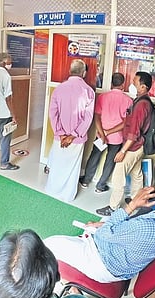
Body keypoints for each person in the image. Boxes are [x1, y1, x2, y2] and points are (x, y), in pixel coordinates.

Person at [46, 171, 155, 283]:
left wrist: (132, 204)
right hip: (120, 261)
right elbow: (127, 230)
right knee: (105, 220)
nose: (153, 188)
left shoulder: (145, 227)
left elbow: (103, 234)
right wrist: (103, 225)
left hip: (103, 263)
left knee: (50, 243)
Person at [96, 72, 153, 216]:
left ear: (143, 87)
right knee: (137, 173)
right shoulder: (141, 100)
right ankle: (135, 199)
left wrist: (122, 151)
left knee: (118, 176)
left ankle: (113, 207)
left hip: (132, 147)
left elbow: (133, 132)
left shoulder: (141, 105)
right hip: (139, 146)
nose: (132, 84)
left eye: (135, 82)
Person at [45, 59, 95, 202]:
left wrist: (60, 134)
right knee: (73, 168)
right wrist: (73, 135)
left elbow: (53, 114)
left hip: (59, 137)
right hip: (77, 139)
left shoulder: (59, 89)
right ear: (84, 73)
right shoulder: (88, 91)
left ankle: (52, 190)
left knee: (58, 164)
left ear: (69, 71)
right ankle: (67, 196)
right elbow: (87, 118)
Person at [80, 73, 133, 194]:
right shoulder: (128, 101)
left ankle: (86, 181)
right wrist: (109, 132)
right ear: (123, 84)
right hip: (117, 138)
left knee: (94, 156)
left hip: (101, 135)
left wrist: (103, 133)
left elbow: (96, 117)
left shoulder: (103, 97)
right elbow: (125, 123)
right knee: (110, 161)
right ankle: (101, 186)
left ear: (111, 83)